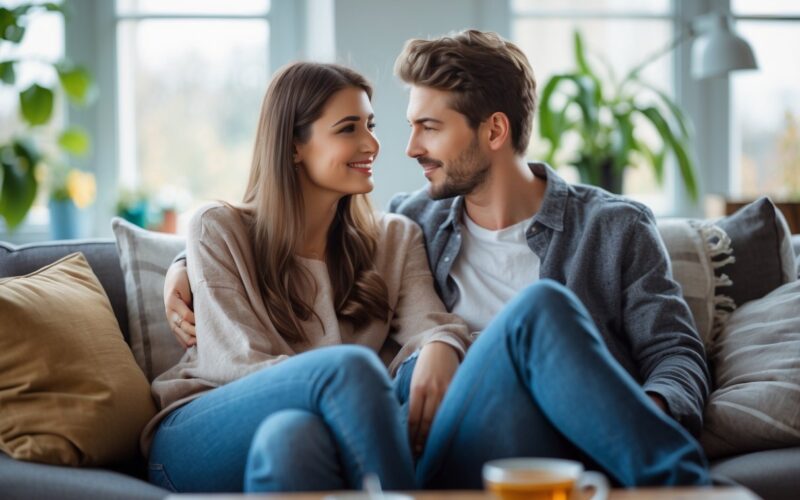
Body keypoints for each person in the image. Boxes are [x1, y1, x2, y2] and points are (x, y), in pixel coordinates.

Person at [165, 31, 712, 489]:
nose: (397, 148)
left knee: (542, 306)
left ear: (493, 130)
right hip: (353, 426)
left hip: (531, 432)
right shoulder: (420, 220)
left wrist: (633, 416)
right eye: (356, 128)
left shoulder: (609, 228)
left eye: (426, 127)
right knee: (306, 420)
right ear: (293, 145)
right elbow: (240, 341)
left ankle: (682, 484)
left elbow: (675, 352)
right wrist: (183, 267)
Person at [145, 61, 472, 494]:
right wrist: (346, 387)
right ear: (294, 146)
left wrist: (440, 344)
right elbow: (235, 365)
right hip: (203, 428)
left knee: (292, 441)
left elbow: (429, 325)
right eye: (348, 128)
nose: (371, 143)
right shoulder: (217, 227)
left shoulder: (395, 237)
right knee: (349, 369)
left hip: (306, 425)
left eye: (370, 125)